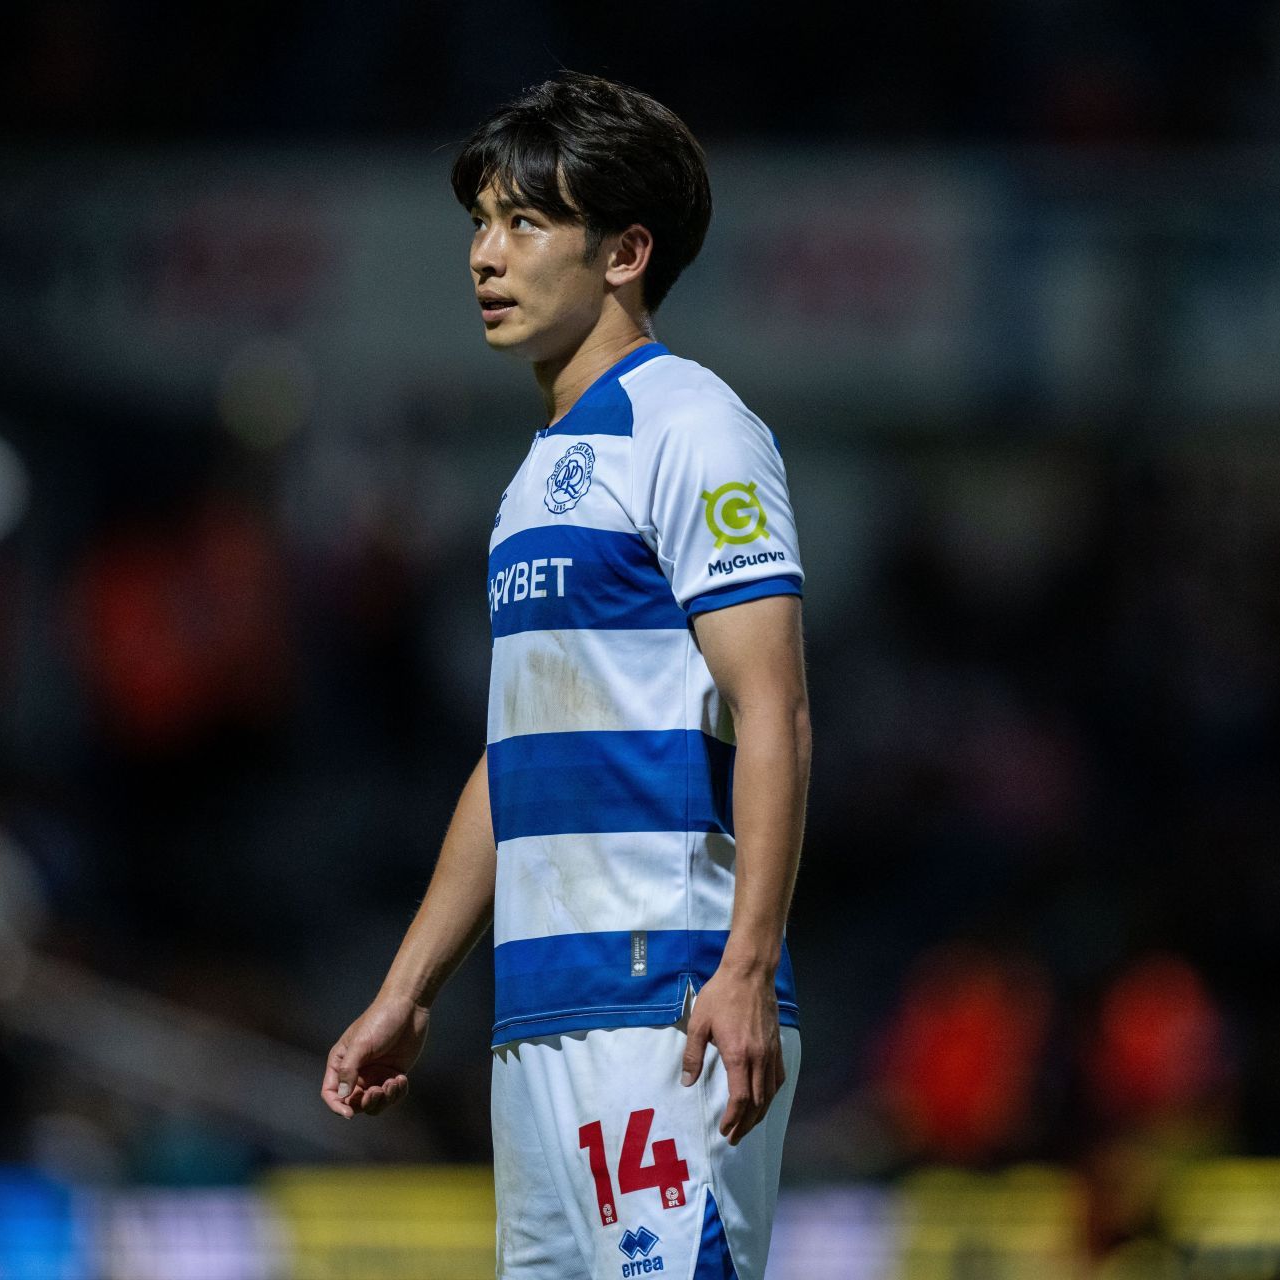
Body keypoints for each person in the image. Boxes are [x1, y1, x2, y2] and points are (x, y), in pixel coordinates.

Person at [321, 72, 811, 1280]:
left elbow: (775, 709)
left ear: (625, 251)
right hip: (535, 1012)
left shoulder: (694, 427)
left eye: (525, 223)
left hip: (665, 1002)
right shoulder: (534, 479)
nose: (486, 256)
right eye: (481, 222)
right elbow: (518, 759)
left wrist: (744, 966)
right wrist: (409, 987)